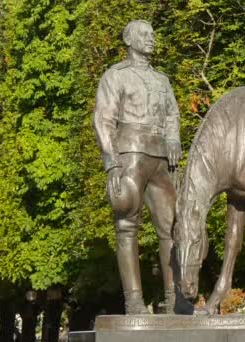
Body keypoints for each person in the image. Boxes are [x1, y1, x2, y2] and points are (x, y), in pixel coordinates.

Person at [93, 19, 187, 315]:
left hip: (162, 158)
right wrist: (111, 164)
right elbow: (104, 120)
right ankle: (133, 299)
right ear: (129, 40)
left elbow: (173, 113)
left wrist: (173, 138)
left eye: (153, 34)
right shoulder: (115, 76)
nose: (151, 39)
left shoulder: (162, 80)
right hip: (130, 152)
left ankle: (175, 296)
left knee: (172, 227)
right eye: (144, 35)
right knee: (126, 225)